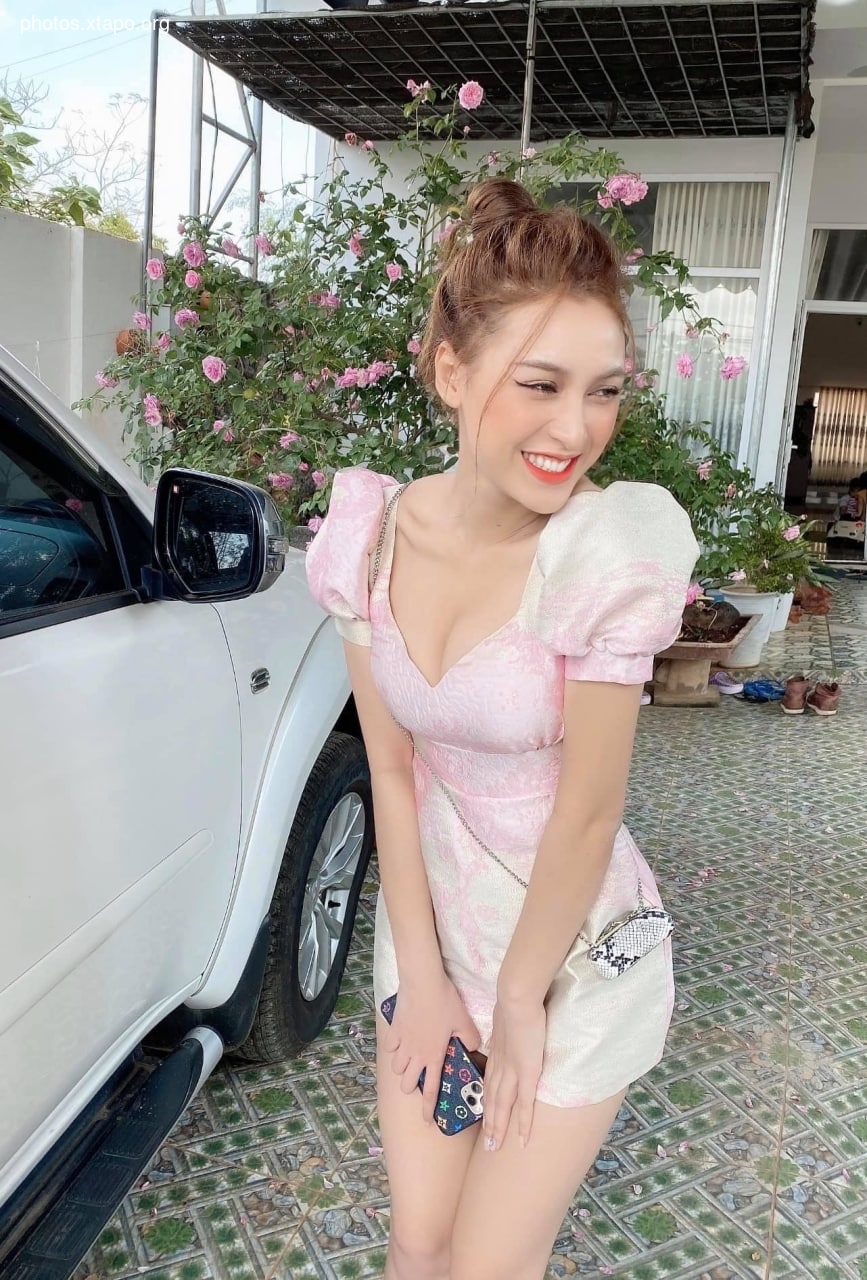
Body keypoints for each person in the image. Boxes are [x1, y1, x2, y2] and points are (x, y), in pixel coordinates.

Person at [305, 178, 700, 1280]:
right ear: (451, 372)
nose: (576, 428)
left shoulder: (599, 556)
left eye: (604, 391)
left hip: (568, 951)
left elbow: (589, 812)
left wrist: (520, 999)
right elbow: (392, 769)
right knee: (419, 1240)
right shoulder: (370, 538)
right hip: (436, 926)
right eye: (540, 384)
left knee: (487, 1262)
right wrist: (425, 977)